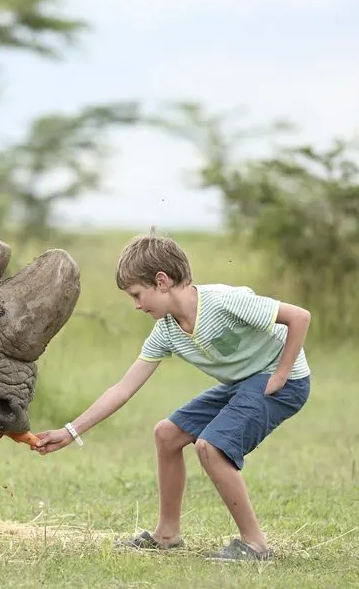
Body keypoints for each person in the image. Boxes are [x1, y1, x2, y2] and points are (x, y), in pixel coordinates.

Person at [33, 230, 312, 562]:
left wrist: (281, 374)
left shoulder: (223, 302)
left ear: (162, 281)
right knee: (167, 434)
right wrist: (71, 431)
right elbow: (122, 389)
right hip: (243, 382)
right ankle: (166, 535)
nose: (136, 305)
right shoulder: (166, 330)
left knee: (212, 447)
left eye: (137, 295)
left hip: (283, 381)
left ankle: (255, 545)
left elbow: (299, 317)